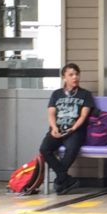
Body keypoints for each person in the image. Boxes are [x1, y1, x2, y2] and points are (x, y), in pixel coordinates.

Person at [39, 63, 95, 195]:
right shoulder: (56, 94)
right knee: (44, 149)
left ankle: (61, 180)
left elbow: (83, 115)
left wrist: (73, 128)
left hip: (75, 131)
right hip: (57, 129)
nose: (75, 77)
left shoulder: (85, 94)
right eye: (71, 75)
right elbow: (51, 113)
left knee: (71, 149)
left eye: (77, 74)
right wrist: (54, 128)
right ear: (64, 77)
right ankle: (65, 179)